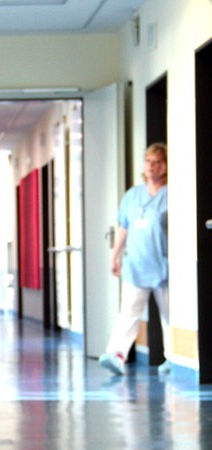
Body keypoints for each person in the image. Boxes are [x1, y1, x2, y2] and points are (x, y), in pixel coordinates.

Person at [99, 143, 169, 376]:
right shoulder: (133, 195)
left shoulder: (171, 193)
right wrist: (114, 255)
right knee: (128, 311)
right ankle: (116, 355)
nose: (151, 166)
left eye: (157, 161)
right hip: (136, 263)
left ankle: (174, 358)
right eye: (148, 161)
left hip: (163, 264)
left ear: (166, 165)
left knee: (170, 315)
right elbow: (123, 227)